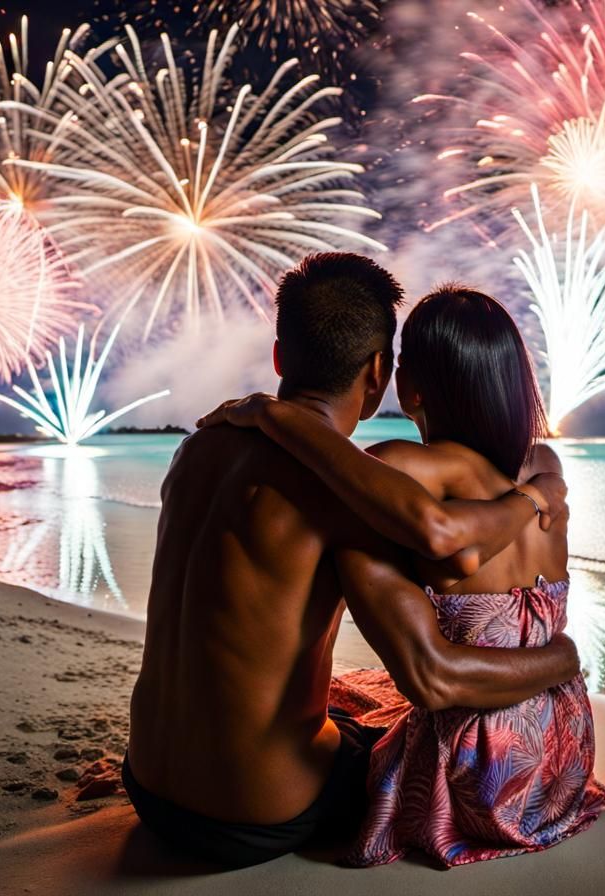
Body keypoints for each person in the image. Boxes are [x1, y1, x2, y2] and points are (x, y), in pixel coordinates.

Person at [125, 254, 579, 868]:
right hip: (255, 817)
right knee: (384, 740)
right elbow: (433, 668)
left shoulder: (195, 449)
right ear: (377, 374)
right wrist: (560, 654)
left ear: (281, 357)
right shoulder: (352, 491)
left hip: (147, 785)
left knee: (344, 707)